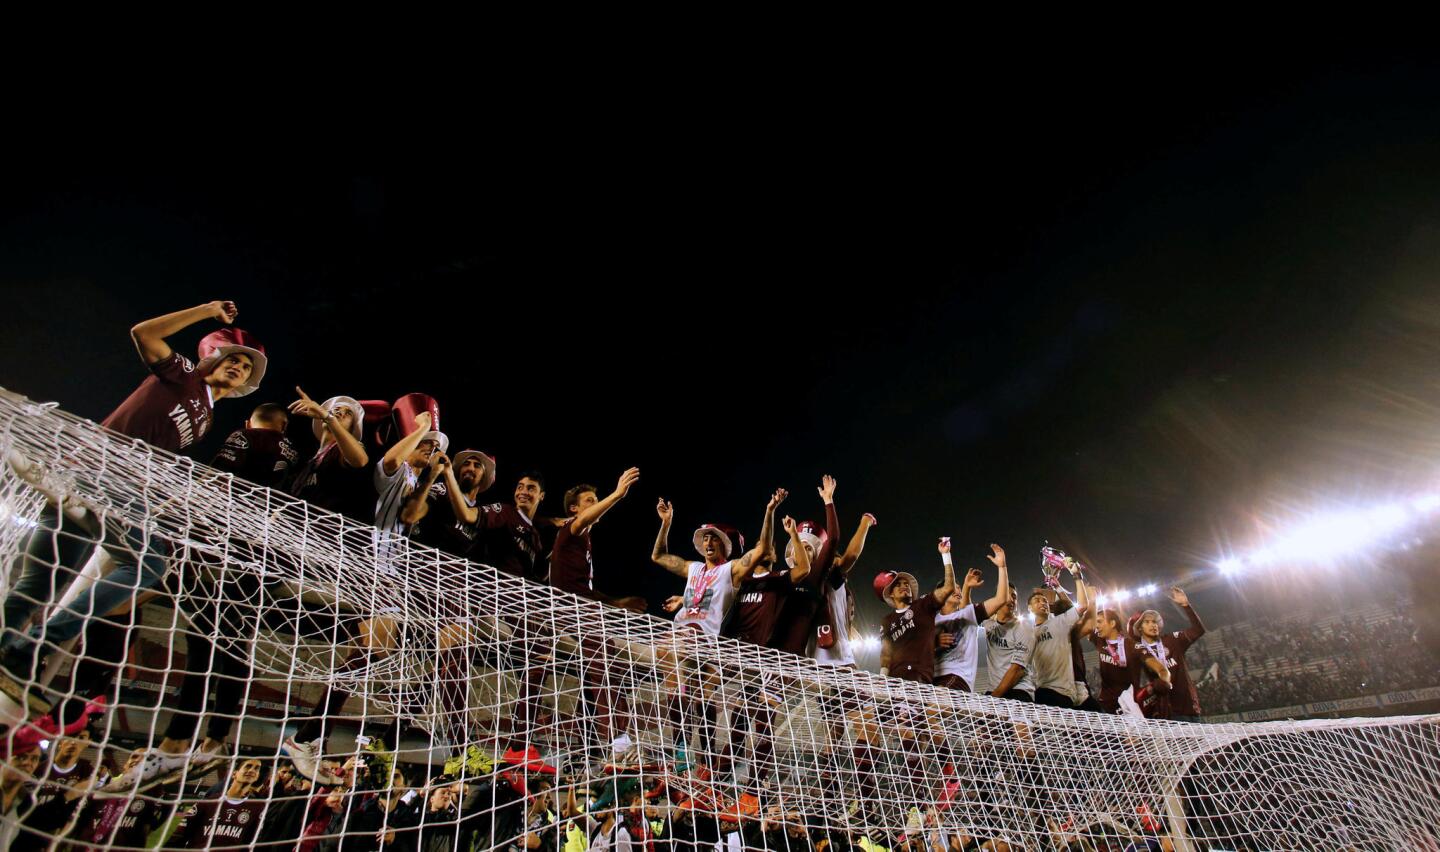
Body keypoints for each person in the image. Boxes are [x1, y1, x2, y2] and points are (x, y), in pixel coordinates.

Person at [1, 301, 265, 716]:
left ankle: (9, 658)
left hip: (104, 487)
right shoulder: (184, 375)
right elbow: (143, 333)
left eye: (247, 368)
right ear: (213, 356)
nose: (238, 368)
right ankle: (37, 644)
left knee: (39, 584)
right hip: (96, 475)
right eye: (233, 359)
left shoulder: (207, 421)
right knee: (145, 566)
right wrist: (208, 310)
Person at [877, 538, 962, 685]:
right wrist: (882, 678)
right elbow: (886, 654)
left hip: (918, 678)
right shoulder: (887, 621)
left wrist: (946, 555)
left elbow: (948, 587)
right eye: (898, 585)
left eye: (906, 584)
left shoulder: (923, 605)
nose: (904, 586)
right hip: (893, 680)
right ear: (890, 593)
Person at [287, 389, 372, 522]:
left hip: (325, 535)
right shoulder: (308, 461)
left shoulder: (344, 452)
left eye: (348, 413)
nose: (339, 412)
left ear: (351, 429)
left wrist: (329, 418)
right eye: (336, 409)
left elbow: (360, 460)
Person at [165, 757, 270, 849]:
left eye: (257, 768)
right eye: (248, 766)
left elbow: (252, 842)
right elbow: (178, 836)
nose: (252, 770)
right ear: (234, 774)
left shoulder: (257, 807)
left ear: (257, 777)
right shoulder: (209, 802)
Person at [1135, 587, 1206, 721]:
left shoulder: (1173, 640)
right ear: (1139, 628)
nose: (1153, 625)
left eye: (1155, 621)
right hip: (1166, 712)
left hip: (1189, 708)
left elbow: (1198, 630)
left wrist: (1186, 606)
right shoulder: (1138, 650)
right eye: (1147, 622)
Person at [933, 567, 1006, 692]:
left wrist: (1002, 566)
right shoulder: (931, 619)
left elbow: (1001, 599)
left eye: (959, 588)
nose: (957, 590)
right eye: (952, 587)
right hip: (931, 677)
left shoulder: (968, 614)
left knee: (934, 708)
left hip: (957, 677)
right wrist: (934, 642)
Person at [979, 546, 1034, 701]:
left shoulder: (1024, 628)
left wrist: (994, 698)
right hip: (994, 690)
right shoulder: (988, 624)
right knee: (979, 725)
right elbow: (966, 613)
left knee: (1020, 725)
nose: (1011, 599)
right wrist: (968, 588)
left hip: (1018, 689)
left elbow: (1017, 670)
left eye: (1015, 596)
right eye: (1007, 595)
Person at [1028, 580, 1093, 708]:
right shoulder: (1027, 632)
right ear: (1029, 608)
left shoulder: (1061, 622)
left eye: (1045, 601)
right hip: (1041, 690)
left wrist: (1076, 576)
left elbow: (1083, 605)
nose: (1042, 602)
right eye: (1037, 600)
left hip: (1062, 692)